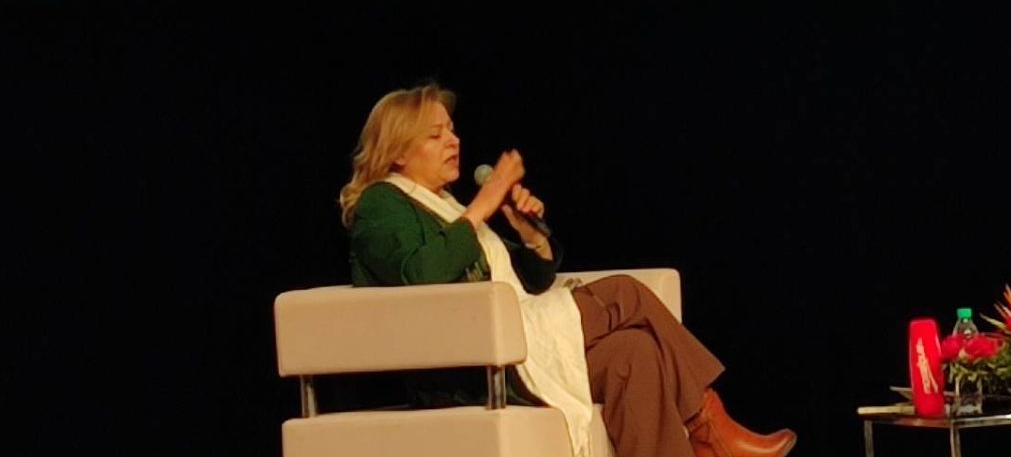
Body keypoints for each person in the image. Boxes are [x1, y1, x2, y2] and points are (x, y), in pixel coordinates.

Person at [340, 84, 796, 457]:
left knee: (634, 355)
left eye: (453, 130)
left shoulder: (447, 207)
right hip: (469, 371)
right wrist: (483, 204)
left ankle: (709, 435)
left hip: (512, 347)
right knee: (625, 293)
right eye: (435, 135)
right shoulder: (382, 204)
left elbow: (526, 284)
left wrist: (530, 236)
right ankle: (708, 427)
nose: (453, 141)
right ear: (398, 152)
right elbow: (422, 277)